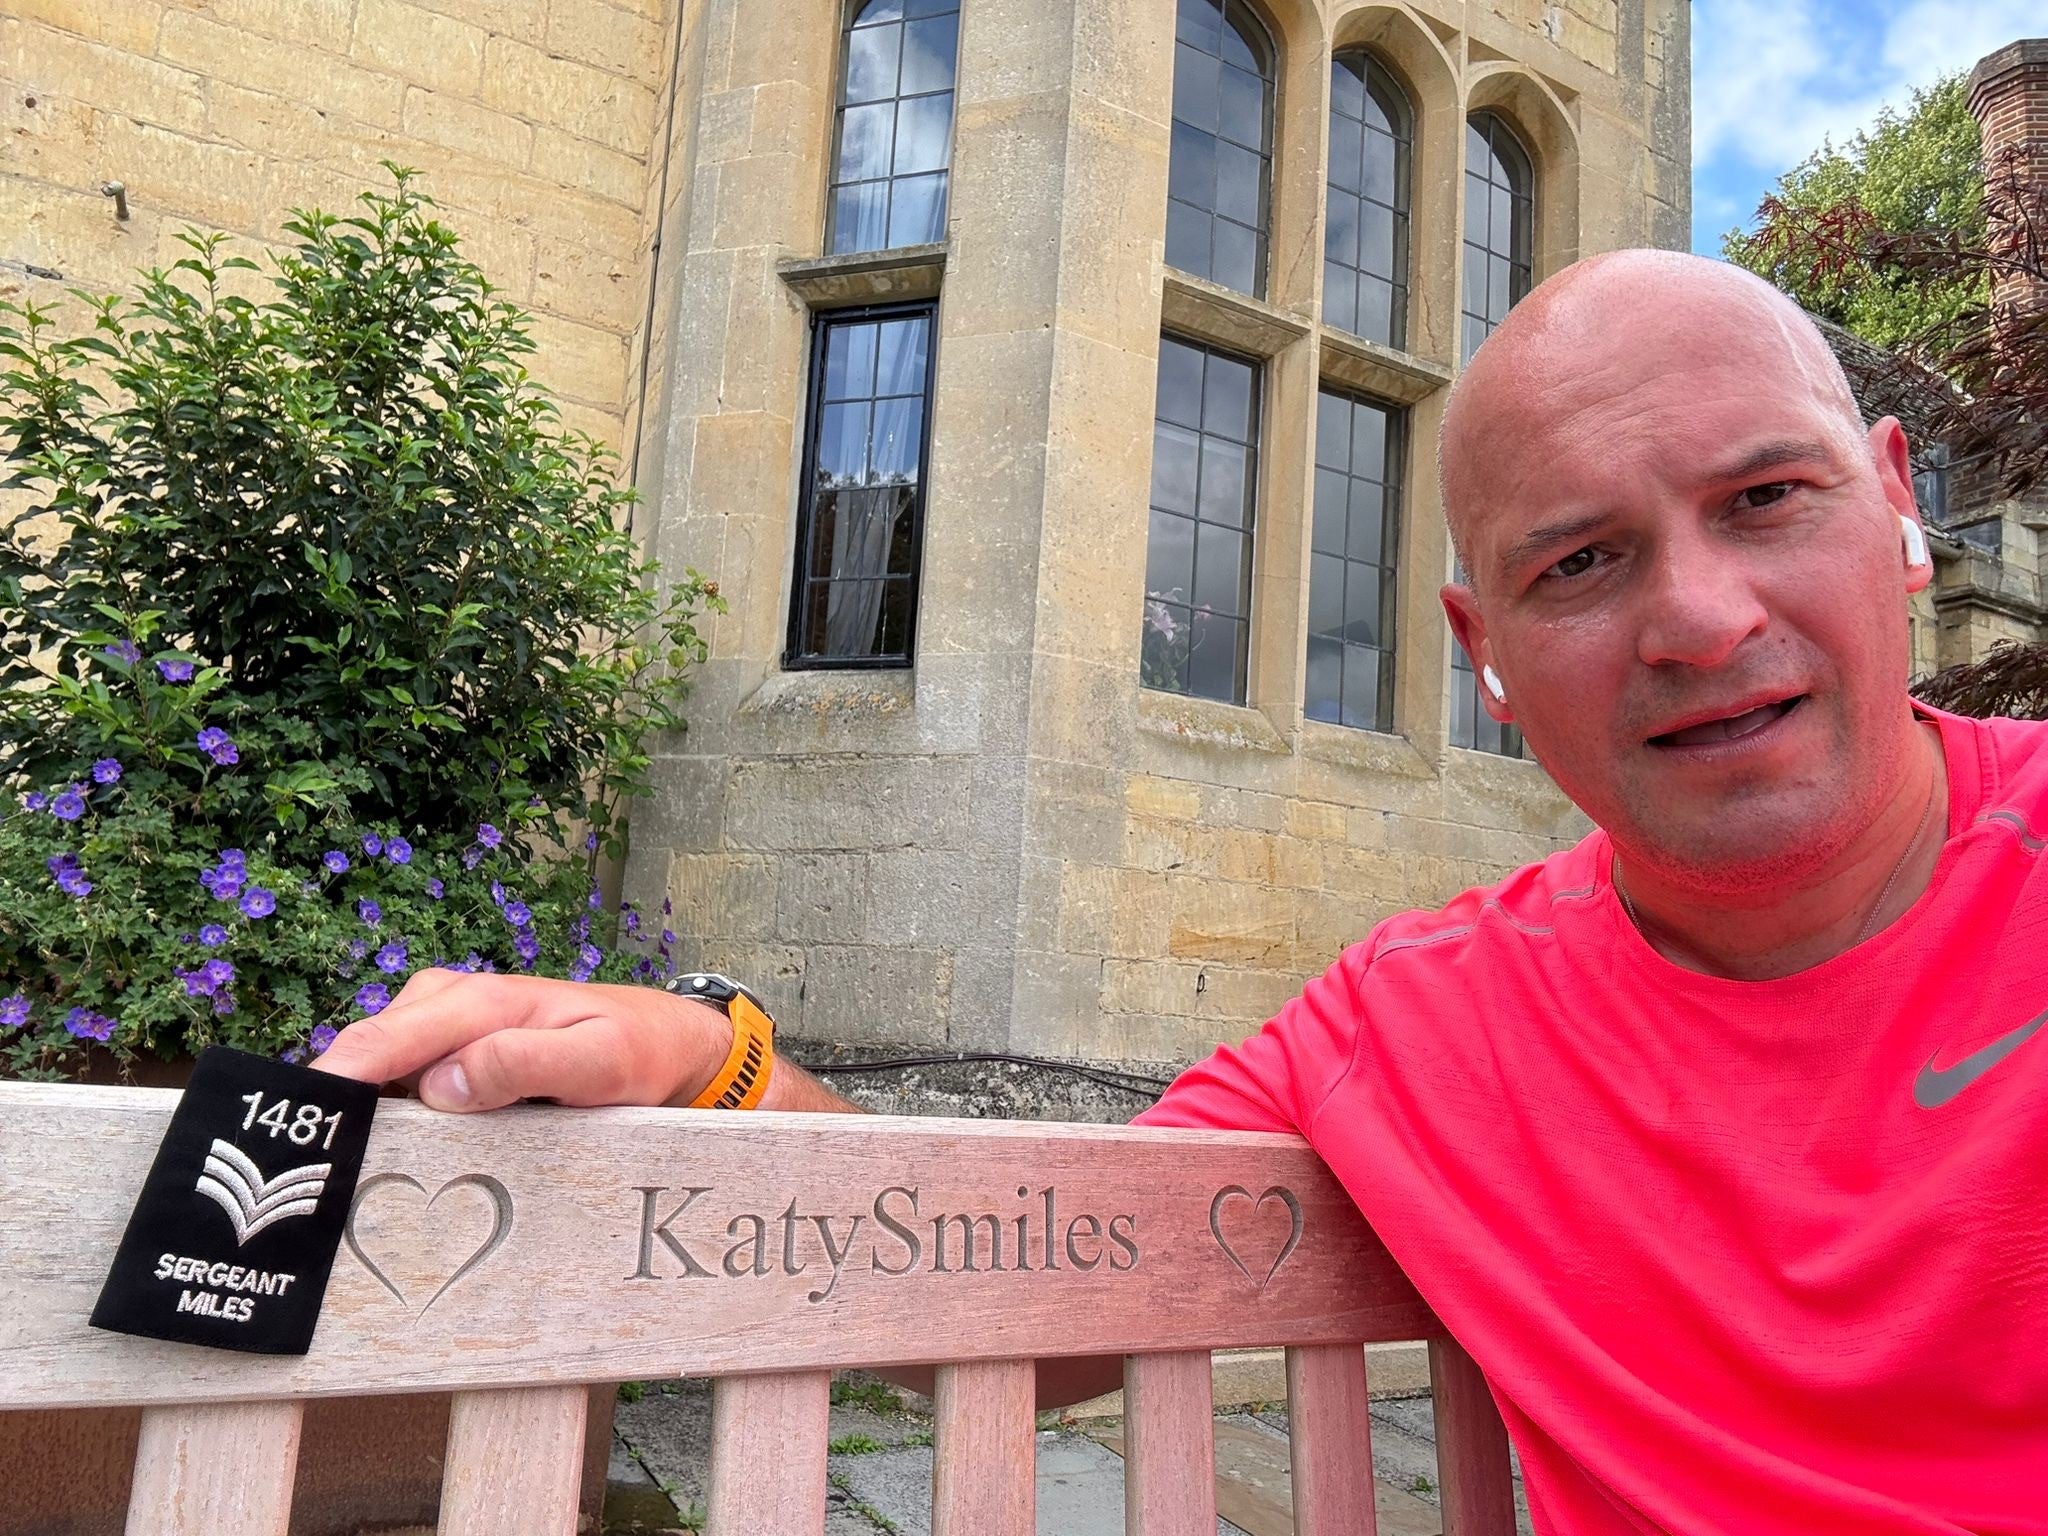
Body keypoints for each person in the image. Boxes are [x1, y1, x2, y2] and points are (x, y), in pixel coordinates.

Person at [316, 250, 2048, 1532]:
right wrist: (716, 1062)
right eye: (1580, 561)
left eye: (1767, 498)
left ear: (1899, 508)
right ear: (1486, 655)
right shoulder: (1425, 1024)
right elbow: (1027, 1297)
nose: (1701, 619)